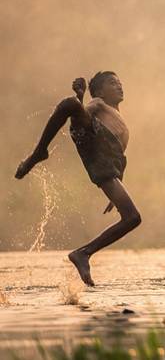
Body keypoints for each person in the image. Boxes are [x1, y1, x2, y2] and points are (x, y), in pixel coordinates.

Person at [15, 72, 141, 286]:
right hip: (93, 138)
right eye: (113, 83)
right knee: (70, 103)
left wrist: (119, 184)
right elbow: (83, 116)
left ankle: (83, 253)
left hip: (107, 162)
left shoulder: (119, 118)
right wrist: (81, 98)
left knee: (132, 218)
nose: (119, 86)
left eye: (120, 83)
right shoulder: (100, 103)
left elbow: (119, 157)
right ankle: (39, 152)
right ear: (100, 92)